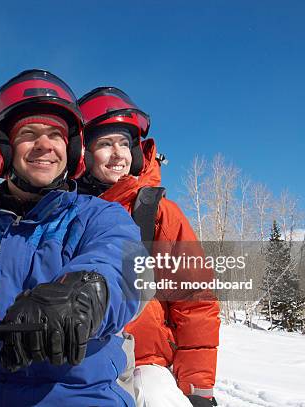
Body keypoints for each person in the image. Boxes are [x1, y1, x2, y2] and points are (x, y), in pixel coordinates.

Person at [0, 70, 143, 406]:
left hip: (76, 396)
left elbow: (123, 266)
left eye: (56, 135)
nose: (44, 145)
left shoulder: (98, 216)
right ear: (3, 147)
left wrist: (84, 292)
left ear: (70, 148)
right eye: (29, 134)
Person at [77, 87, 220, 407]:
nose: (118, 154)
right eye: (104, 144)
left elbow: (194, 300)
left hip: (145, 363)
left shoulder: (157, 213)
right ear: (83, 153)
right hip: (78, 364)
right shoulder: (65, 214)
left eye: (125, 143)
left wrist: (197, 388)